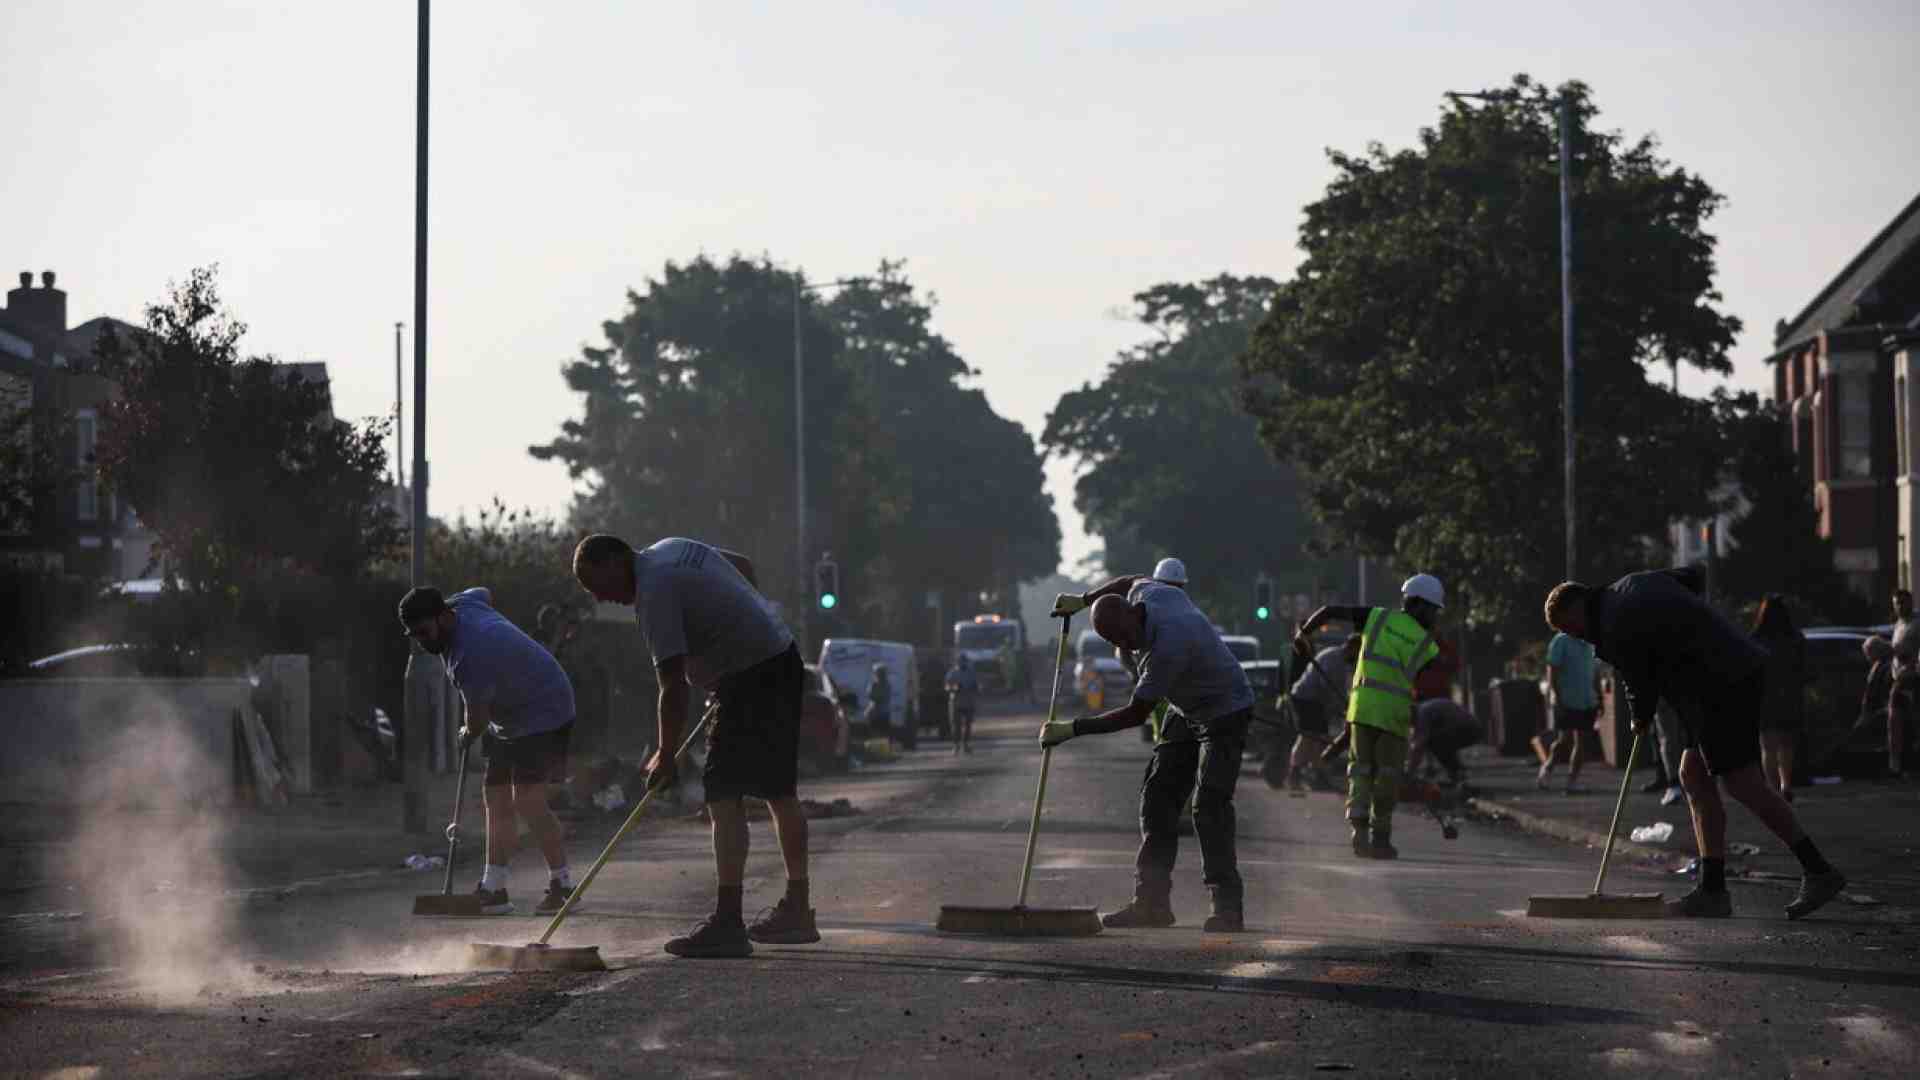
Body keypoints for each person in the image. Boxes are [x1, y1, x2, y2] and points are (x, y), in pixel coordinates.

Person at [1544, 569, 1846, 919]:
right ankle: (1712, 890)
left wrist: (1638, 717)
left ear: (1578, 605)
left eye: (1570, 627)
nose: (1576, 636)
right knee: (1693, 775)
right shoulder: (1627, 588)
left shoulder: (1613, 620)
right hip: (1714, 680)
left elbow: (1637, 677)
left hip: (1719, 682)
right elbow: (1691, 578)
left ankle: (1818, 870)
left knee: (1742, 782)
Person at [572, 534, 816, 957]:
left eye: (598, 586)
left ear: (614, 560)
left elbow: (672, 687)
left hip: (749, 676)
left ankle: (728, 924)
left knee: (722, 793)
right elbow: (742, 566)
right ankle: (798, 909)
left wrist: (665, 756)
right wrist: (739, 623)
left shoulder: (653, 593)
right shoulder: (670, 547)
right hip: (780, 656)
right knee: (779, 790)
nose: (603, 598)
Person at [1047, 578, 1256, 932]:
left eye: (1125, 637)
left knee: (1209, 806)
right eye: (1115, 643)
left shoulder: (1167, 646)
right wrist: (1084, 599)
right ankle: (1151, 903)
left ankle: (1227, 906)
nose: (1126, 647)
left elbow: (1136, 714)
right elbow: (1128, 579)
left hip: (1225, 709)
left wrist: (1073, 729)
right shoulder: (1150, 592)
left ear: (1134, 616)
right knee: (1158, 799)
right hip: (1186, 708)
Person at [399, 586, 577, 916]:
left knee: (527, 799)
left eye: (424, 632)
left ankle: (564, 886)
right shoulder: (464, 603)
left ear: (442, 617)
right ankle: (494, 889)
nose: (422, 642)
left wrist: (467, 733)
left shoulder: (470, 655)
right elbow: (484, 592)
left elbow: (477, 721)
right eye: (415, 635)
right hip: (511, 716)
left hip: (546, 710)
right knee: (495, 796)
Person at [1294, 574, 1446, 859]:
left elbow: (1328, 612)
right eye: (1434, 610)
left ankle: (1359, 834)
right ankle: (1380, 838)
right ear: (1420, 605)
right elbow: (1427, 685)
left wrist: (1304, 633)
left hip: (1362, 710)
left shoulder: (1375, 618)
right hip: (1393, 717)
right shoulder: (1428, 645)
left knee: (1360, 772)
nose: (1435, 616)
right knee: (1387, 777)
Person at [1284, 634, 1361, 793]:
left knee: (1320, 737)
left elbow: (1337, 688)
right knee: (1309, 736)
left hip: (1315, 701)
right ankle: (1296, 775)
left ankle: (1316, 774)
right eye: (1358, 651)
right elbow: (1324, 684)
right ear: (1352, 648)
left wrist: (1344, 704)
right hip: (1306, 698)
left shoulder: (1341, 661)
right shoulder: (1333, 658)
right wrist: (1340, 704)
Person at [1753, 595, 1808, 800]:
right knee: (1787, 743)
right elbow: (1803, 668)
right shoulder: (1795, 638)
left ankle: (1773, 788)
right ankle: (1786, 783)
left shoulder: (1756, 638)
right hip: (1790, 696)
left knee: (1767, 745)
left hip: (1765, 697)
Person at [1538, 627, 1601, 793]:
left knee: (1582, 741)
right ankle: (1547, 768)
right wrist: (1557, 697)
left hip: (1587, 701)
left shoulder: (1590, 643)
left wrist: (1599, 698)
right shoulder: (1561, 641)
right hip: (1566, 701)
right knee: (1563, 740)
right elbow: (1552, 670)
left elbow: (1595, 672)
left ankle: (1571, 782)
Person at [1863, 590, 1917, 780]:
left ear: (1911, 602)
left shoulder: (1916, 624)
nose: (1900, 606)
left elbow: (1908, 652)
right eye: (1897, 603)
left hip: (1911, 679)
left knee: (1898, 722)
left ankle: (1898, 766)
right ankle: (1898, 766)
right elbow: (1896, 651)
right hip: (1899, 679)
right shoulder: (1899, 625)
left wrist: (1902, 657)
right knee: (1898, 724)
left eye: (1903, 602)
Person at [944, 653, 979, 754]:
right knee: (956, 726)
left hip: (968, 702)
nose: (962, 663)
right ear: (956, 662)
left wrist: (975, 688)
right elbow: (946, 687)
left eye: (964, 661)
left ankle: (966, 745)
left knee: (968, 725)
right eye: (960, 661)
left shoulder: (971, 673)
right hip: (955, 702)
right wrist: (955, 688)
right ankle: (956, 746)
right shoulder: (952, 673)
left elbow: (977, 686)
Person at [866, 663, 894, 747]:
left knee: (876, 732)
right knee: (884, 733)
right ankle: (883, 748)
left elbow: (871, 695)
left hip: (876, 712)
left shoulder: (874, 684)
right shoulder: (888, 684)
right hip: (885, 712)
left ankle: (877, 748)